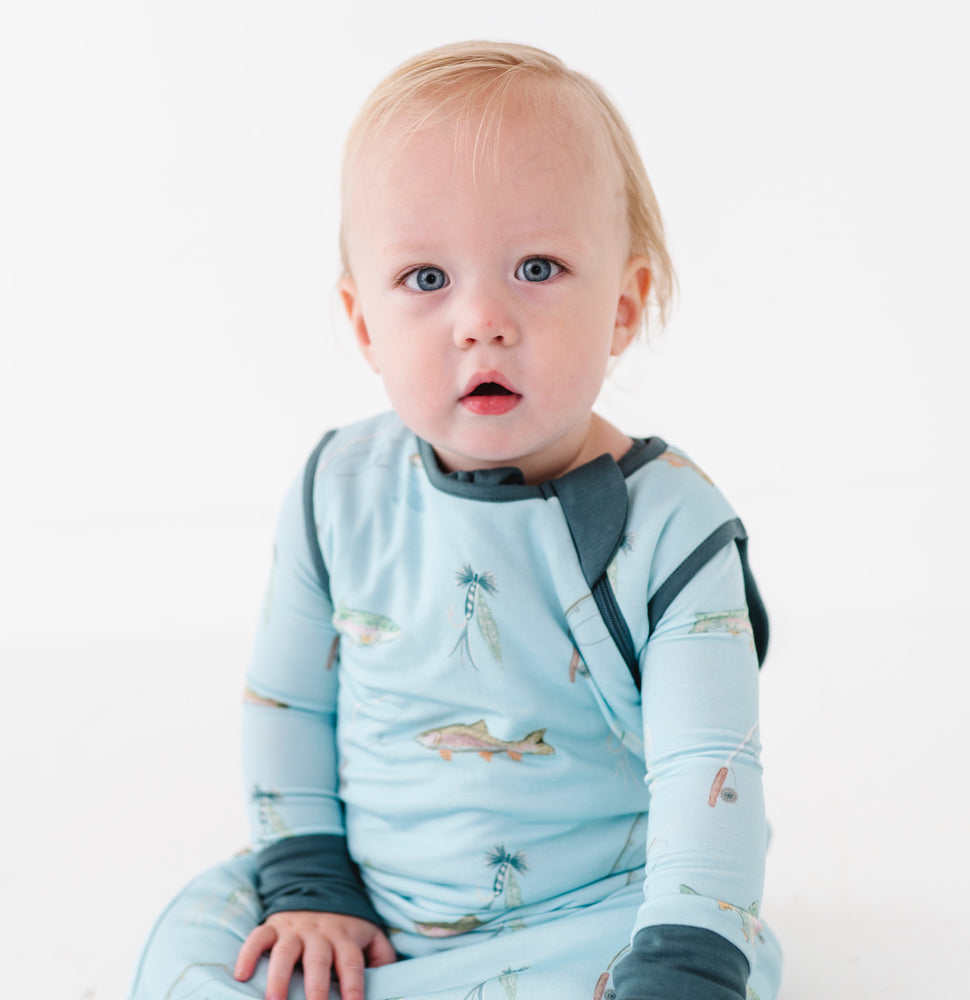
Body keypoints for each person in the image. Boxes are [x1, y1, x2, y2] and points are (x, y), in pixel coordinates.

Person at [127, 40, 782, 1000]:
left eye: (537, 267)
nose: (482, 319)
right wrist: (312, 882)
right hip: (366, 914)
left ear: (624, 306)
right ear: (362, 323)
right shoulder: (336, 491)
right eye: (426, 280)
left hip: (594, 917)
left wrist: (684, 956)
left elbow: (707, 772)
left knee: (707, 959)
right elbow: (288, 703)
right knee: (199, 949)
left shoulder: (672, 529)